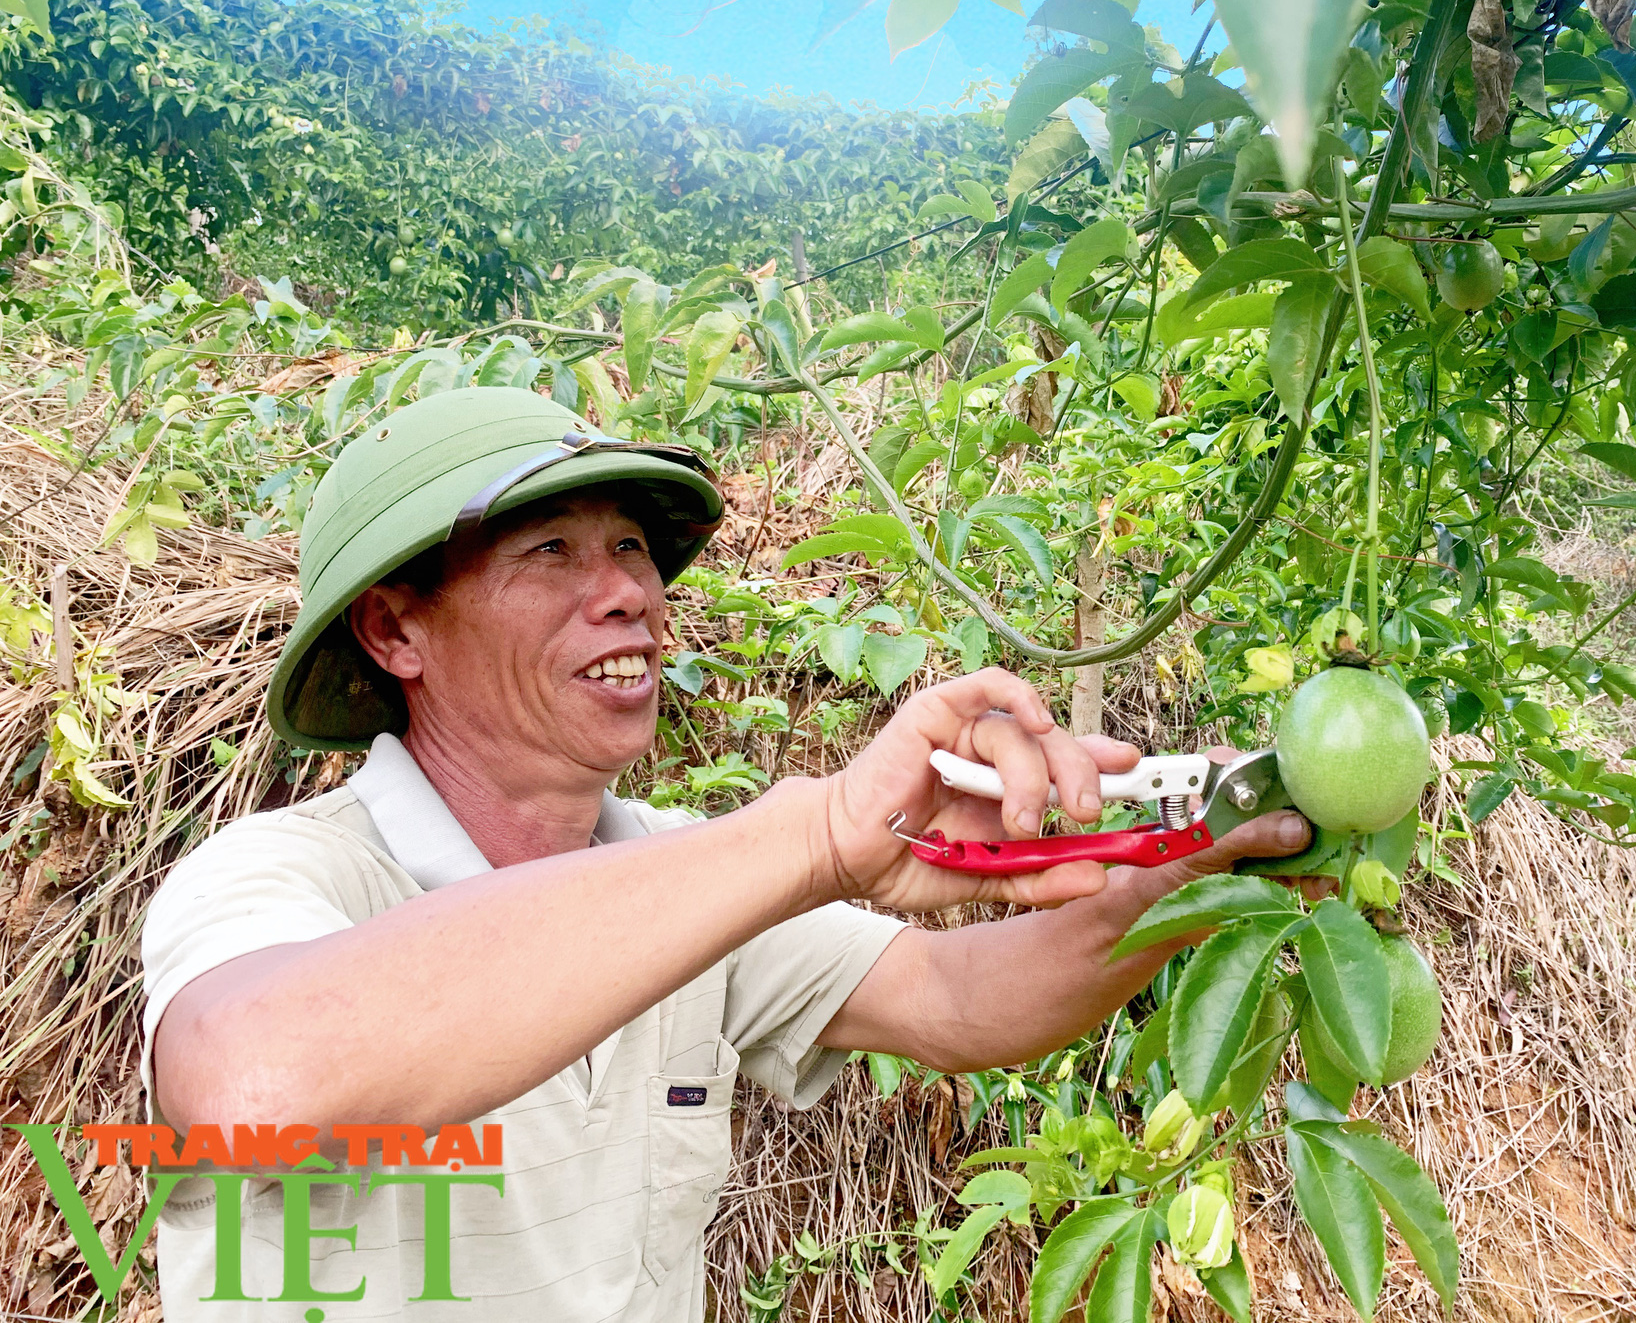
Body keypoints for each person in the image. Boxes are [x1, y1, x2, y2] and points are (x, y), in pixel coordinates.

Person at [141, 387, 1307, 1321]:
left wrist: (1184, 865)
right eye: (549, 550)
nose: (632, 597)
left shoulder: (677, 869)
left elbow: (956, 998)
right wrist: (809, 835)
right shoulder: (280, 877)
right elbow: (256, 1084)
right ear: (396, 629)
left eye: (634, 549)